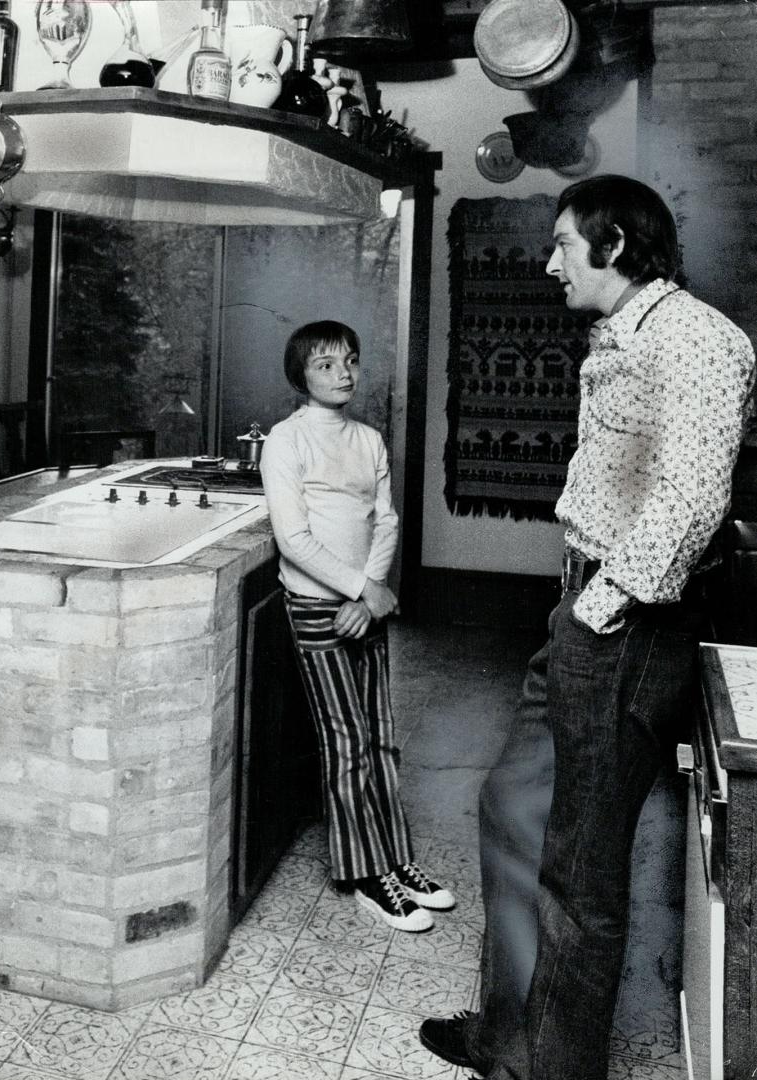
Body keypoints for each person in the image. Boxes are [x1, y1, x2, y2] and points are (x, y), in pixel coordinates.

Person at [419, 175, 756, 1078]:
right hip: (587, 611)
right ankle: (507, 1034)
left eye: (563, 243)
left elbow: (691, 498)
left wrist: (599, 609)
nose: (548, 262)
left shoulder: (693, 338)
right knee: (512, 805)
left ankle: (550, 1069)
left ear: (612, 245)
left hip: (627, 626)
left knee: (580, 866)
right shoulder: (624, 335)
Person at [260, 319, 455, 932]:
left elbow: (387, 521)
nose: (342, 373)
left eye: (350, 360)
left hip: (363, 608)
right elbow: (293, 540)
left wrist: (370, 599)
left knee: (380, 735)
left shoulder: (368, 439)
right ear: (301, 376)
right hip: (317, 609)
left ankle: (396, 859)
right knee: (345, 740)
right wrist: (363, 589)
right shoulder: (286, 442)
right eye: (325, 365)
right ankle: (365, 876)